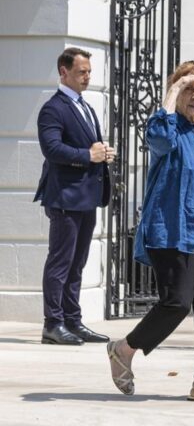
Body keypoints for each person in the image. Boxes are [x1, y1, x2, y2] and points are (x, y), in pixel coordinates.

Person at [104, 61, 194, 402]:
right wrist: (169, 94)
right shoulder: (167, 129)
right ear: (177, 92)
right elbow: (156, 137)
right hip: (172, 229)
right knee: (177, 303)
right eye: (188, 90)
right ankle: (124, 349)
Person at [34, 47, 114, 345]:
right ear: (63, 71)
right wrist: (87, 154)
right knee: (61, 261)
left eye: (89, 72)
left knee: (78, 261)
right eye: (81, 72)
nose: (87, 77)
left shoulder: (85, 106)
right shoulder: (53, 108)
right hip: (65, 197)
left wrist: (102, 153)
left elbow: (87, 148)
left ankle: (73, 320)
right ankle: (52, 324)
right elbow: (51, 148)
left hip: (87, 196)